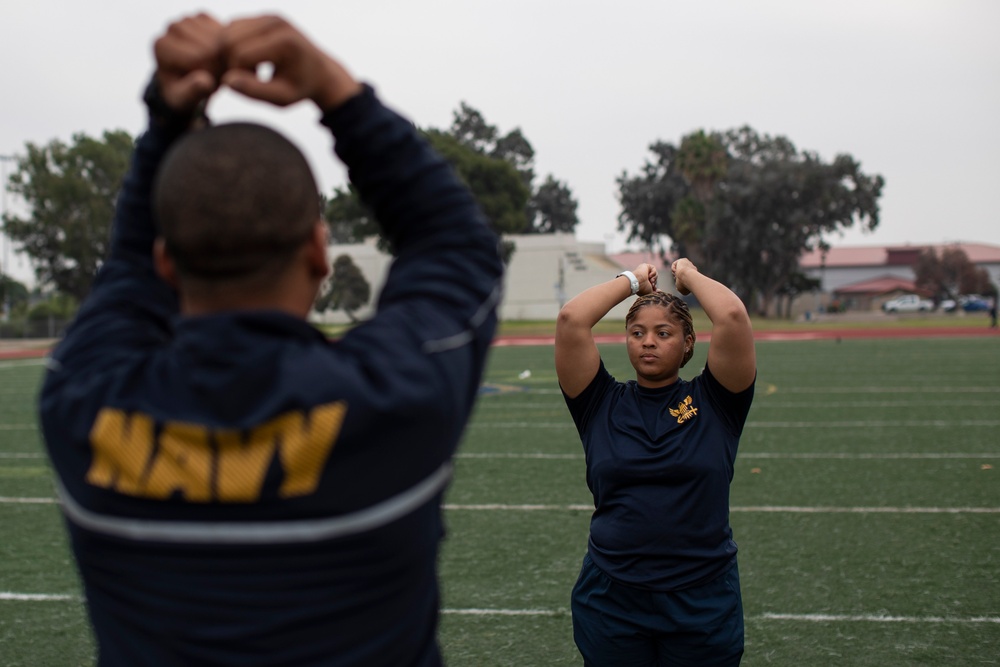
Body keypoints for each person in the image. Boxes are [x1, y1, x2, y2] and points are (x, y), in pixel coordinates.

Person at [39, 13, 503, 667]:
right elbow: (455, 243)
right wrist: (335, 88)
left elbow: (126, 273)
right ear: (320, 251)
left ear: (168, 262)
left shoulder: (82, 398)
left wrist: (165, 121)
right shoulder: (396, 396)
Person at [555, 260, 756, 666]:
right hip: (612, 598)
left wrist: (691, 277)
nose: (648, 342)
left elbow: (733, 316)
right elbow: (572, 319)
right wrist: (631, 282)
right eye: (637, 333)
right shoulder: (598, 403)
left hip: (701, 598)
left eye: (663, 333)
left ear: (688, 343)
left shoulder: (717, 402)